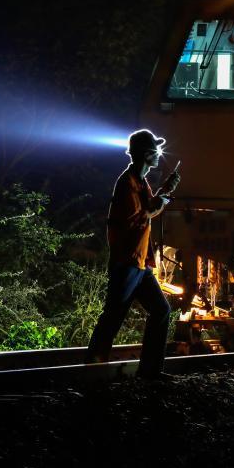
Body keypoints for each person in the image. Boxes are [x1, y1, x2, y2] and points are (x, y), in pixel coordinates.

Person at [85, 129, 180, 378]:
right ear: (147, 154)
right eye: (156, 150)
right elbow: (140, 216)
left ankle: (149, 370)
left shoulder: (140, 181)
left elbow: (148, 208)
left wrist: (165, 191)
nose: (159, 154)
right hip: (127, 262)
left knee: (160, 311)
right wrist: (161, 201)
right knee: (113, 316)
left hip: (139, 263)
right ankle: (93, 368)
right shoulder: (127, 183)